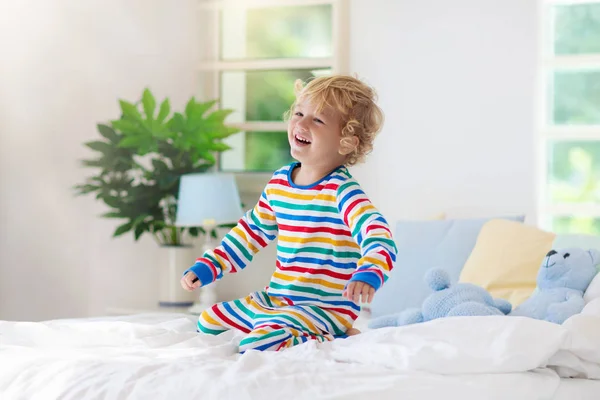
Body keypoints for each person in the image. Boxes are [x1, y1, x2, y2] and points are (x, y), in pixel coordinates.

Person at [181, 75, 397, 353]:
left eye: (318, 120)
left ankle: (335, 338)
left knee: (256, 344)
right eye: (299, 113)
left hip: (325, 309)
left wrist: (369, 272)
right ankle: (277, 326)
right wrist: (210, 265)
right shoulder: (280, 182)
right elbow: (250, 233)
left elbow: (379, 236)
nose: (302, 124)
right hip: (279, 299)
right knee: (209, 321)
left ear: (346, 142)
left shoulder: (343, 192)